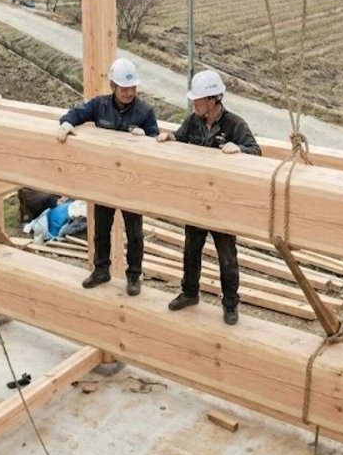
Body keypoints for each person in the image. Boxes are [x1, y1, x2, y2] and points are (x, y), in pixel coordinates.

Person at [158, 70, 260, 325]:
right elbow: (181, 136)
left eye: (199, 100)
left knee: (227, 256)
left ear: (213, 100)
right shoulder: (193, 122)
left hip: (222, 203)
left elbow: (256, 151)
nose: (194, 104)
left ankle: (230, 304)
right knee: (192, 249)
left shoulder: (235, 125)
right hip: (198, 199)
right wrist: (170, 137)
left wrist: (240, 149)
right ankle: (189, 293)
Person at [56, 58, 158, 295]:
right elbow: (77, 113)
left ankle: (134, 276)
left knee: (134, 233)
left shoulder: (145, 111)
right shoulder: (99, 105)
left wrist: (146, 138)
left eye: (132, 88)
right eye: (124, 89)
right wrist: (67, 123)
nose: (129, 93)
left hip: (131, 181)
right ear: (113, 86)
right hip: (105, 180)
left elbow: (156, 141)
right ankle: (101, 270)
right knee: (102, 228)